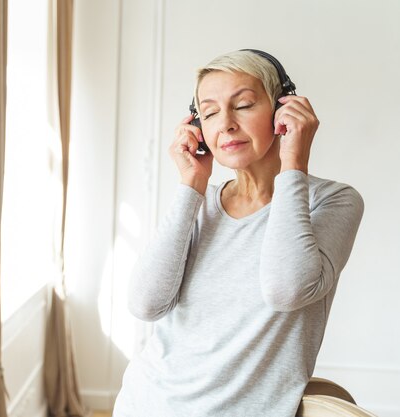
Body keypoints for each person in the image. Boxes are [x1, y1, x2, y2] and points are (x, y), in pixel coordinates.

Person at [112, 50, 364, 417]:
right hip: (146, 403)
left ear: (283, 110)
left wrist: (294, 163)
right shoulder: (199, 202)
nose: (226, 123)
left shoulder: (333, 201)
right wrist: (192, 184)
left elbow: (286, 289)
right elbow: (145, 304)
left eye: (243, 104)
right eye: (210, 112)